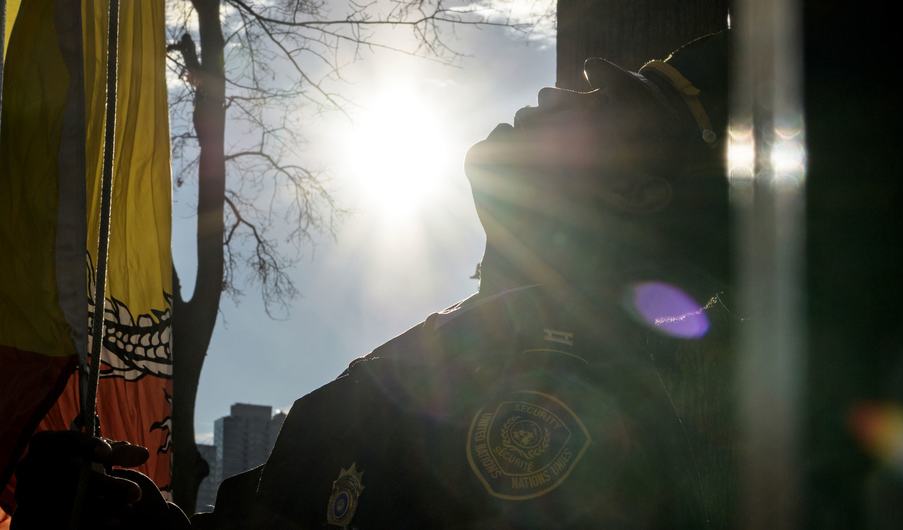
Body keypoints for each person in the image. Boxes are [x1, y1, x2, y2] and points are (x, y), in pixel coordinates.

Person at [14, 31, 734, 529]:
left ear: (640, 194)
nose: (554, 92)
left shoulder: (565, 387)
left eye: (604, 104)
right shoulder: (484, 343)